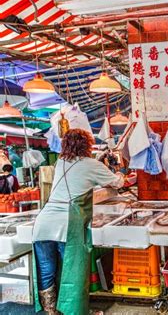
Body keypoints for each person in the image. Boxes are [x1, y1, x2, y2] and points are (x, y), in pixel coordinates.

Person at [32, 129, 124, 315]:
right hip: (67, 227)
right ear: (87, 145)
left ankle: (51, 312)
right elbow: (117, 183)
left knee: (47, 272)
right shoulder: (90, 164)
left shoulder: (60, 162)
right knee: (74, 274)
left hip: (42, 225)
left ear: (65, 145)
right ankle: (75, 312)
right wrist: (121, 175)